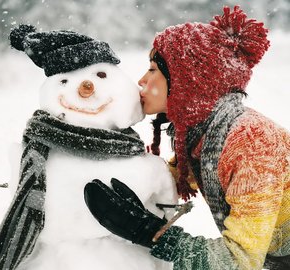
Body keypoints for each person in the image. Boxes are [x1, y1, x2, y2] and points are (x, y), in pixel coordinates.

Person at [84, 6, 290, 270]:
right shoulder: (203, 137)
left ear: (188, 81)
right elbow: (166, 178)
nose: (142, 80)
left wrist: (150, 233)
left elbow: (237, 262)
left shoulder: (251, 143)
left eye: (153, 69)